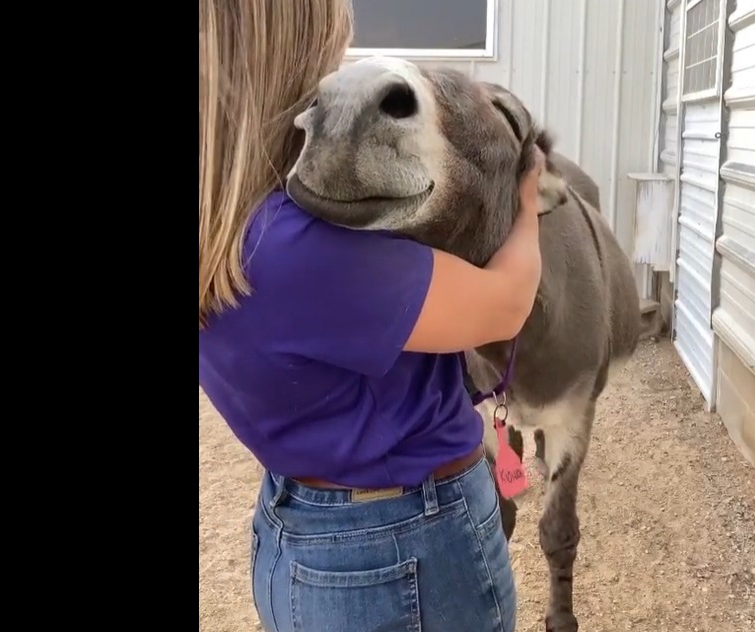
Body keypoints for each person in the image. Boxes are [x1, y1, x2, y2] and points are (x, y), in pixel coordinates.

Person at [198, 1, 543, 630]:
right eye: (331, 46)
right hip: (403, 541)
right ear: (290, 63)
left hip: (294, 530)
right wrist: (527, 201)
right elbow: (506, 306)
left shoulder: (228, 232)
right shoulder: (300, 251)